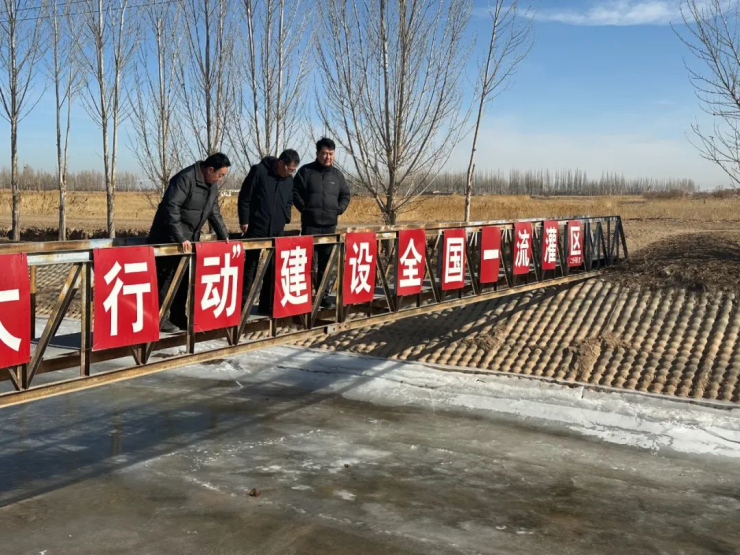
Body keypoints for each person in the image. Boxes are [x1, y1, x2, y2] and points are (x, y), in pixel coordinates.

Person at [147, 153, 231, 332]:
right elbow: (171, 208)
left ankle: (178, 316)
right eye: (220, 175)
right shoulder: (184, 179)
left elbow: (213, 211)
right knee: (167, 277)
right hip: (168, 237)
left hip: (190, 238)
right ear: (210, 169)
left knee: (185, 277)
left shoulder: (211, 185)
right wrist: (180, 237)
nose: (221, 179)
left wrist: (224, 235)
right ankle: (159, 317)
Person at [239, 149, 300, 316]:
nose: (290, 173)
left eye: (293, 171)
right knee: (251, 267)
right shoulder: (259, 171)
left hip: (276, 229)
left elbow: (289, 200)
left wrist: (286, 217)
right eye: (288, 169)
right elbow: (245, 197)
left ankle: (267, 305)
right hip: (256, 226)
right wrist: (244, 220)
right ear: (280, 163)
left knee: (273, 268)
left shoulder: (289, 180)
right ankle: (243, 306)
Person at [292, 137, 351, 308]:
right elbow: (294, 192)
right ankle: (304, 297)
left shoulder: (337, 176)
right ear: (317, 153)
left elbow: (346, 195)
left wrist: (338, 209)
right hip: (310, 225)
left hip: (330, 226)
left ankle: (323, 296)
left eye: (331, 154)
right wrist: (305, 208)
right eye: (324, 153)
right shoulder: (306, 171)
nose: (328, 157)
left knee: (326, 264)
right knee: (308, 263)